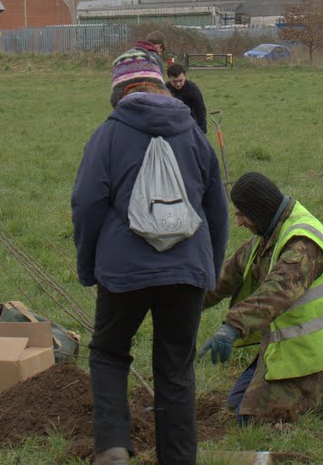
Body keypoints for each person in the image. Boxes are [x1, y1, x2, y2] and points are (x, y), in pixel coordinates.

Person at [72, 49, 229, 465]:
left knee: (108, 352)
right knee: (176, 371)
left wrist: (89, 267)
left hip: (124, 273)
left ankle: (112, 447)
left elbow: (86, 203)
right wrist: (208, 271)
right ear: (160, 84)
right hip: (187, 272)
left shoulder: (108, 134)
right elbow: (216, 208)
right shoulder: (193, 133)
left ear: (119, 90)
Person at [200, 171, 323, 425]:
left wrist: (232, 326)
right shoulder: (267, 236)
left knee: (250, 420)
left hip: (319, 352)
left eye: (242, 214)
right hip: (292, 350)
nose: (238, 222)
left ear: (259, 212)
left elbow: (276, 293)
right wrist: (182, 302)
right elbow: (225, 276)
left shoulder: (301, 244)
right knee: (235, 402)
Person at [166, 63, 208, 134]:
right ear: (169, 78)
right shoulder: (165, 89)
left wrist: (202, 131)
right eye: (174, 81)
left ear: (185, 76)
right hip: (171, 124)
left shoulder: (192, 88)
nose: (178, 84)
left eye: (180, 80)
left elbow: (200, 110)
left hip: (189, 122)